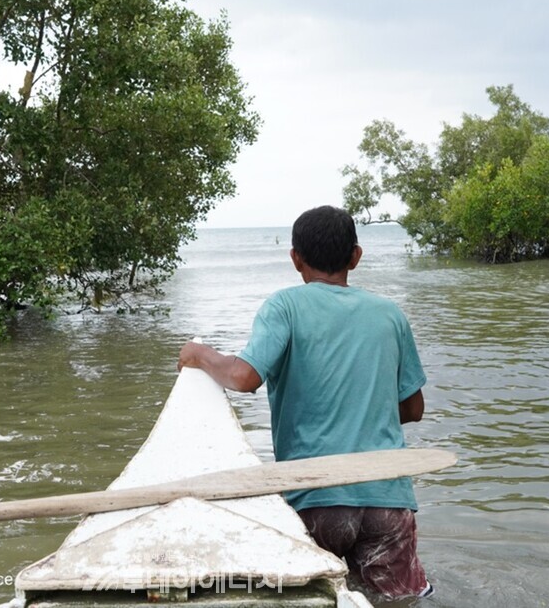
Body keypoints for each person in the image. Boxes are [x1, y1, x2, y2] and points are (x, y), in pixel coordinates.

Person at [177, 205, 433, 598]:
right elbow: (413, 410)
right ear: (356, 256)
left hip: (315, 499)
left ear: (295, 258)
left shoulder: (285, 306)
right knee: (398, 601)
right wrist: (363, 404)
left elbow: (244, 377)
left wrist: (199, 353)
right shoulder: (390, 314)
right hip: (388, 500)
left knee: (310, 599)